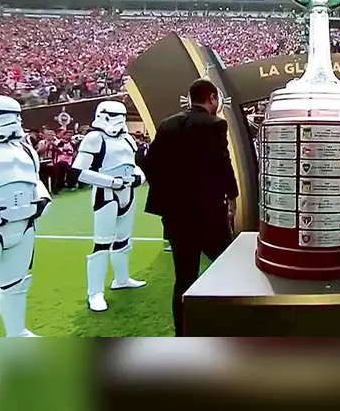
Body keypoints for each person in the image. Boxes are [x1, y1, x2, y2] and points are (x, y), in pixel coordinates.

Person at [143, 79, 238, 337]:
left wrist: (168, 195)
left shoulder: (167, 124)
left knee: (184, 277)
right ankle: (229, 322)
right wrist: (232, 197)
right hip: (208, 214)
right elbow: (223, 164)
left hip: (175, 215)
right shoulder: (214, 124)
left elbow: (149, 164)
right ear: (212, 98)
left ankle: (182, 332)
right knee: (228, 265)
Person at [71, 100, 147, 313]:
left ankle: (121, 279)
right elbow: (78, 171)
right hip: (106, 194)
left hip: (127, 192)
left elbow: (134, 165)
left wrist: (138, 178)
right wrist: (111, 182)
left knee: (123, 239)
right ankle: (95, 293)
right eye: (114, 116)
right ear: (102, 116)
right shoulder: (94, 138)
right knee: (102, 244)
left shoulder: (127, 138)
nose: (119, 120)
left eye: (122, 116)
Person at [0, 95, 50, 337]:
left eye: (17, 116)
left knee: (16, 285)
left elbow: (35, 179)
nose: (14, 121)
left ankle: (16, 332)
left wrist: (43, 198)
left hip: (25, 223)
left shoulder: (26, 149)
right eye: (6, 116)